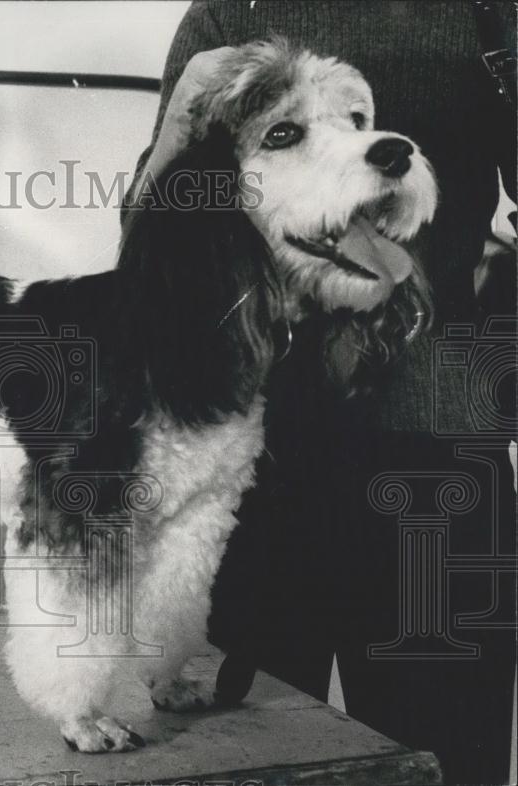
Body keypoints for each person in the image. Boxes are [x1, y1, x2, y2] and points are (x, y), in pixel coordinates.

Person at [125, 2, 517, 783]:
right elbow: (154, 240)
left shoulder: (489, 9)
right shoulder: (231, 12)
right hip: (254, 452)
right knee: (244, 755)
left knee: (445, 752)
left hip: (434, 440)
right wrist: (176, 131)